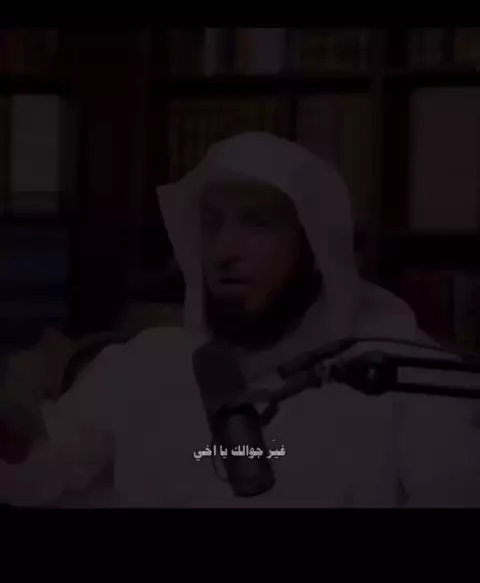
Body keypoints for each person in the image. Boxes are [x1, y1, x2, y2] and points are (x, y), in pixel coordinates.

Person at [1, 131, 480, 507]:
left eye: (257, 224)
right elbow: (38, 469)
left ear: (313, 248)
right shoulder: (147, 363)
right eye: (211, 225)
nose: (224, 251)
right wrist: (16, 437)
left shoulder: (386, 373)